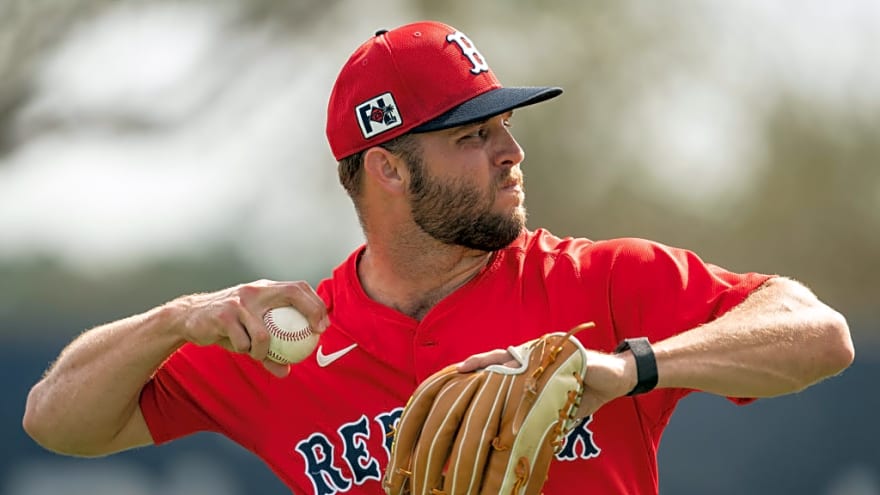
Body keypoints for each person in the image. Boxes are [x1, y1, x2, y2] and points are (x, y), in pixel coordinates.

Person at [23, 20, 854, 495]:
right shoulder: (290, 343)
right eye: (472, 135)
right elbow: (55, 422)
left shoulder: (600, 282)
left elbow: (819, 334)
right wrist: (176, 319)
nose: (511, 152)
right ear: (387, 168)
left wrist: (626, 368)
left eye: (504, 126)